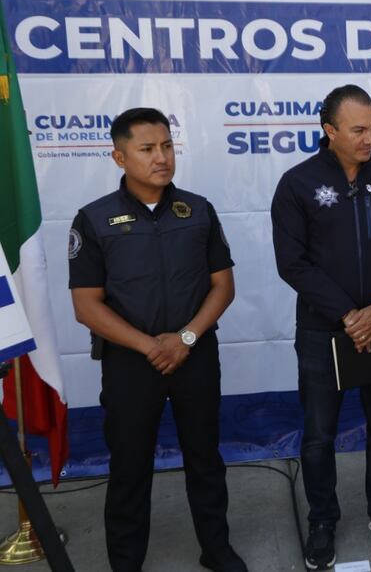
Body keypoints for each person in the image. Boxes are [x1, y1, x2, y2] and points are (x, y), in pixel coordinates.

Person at [68, 107, 245, 572]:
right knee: (130, 468)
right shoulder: (94, 219)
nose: (161, 157)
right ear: (119, 157)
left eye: (166, 146)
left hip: (195, 354)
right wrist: (151, 347)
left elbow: (223, 286)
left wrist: (184, 338)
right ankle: (126, 561)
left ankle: (217, 548)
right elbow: (87, 306)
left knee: (205, 459)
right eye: (147, 149)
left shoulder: (198, 209)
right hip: (131, 364)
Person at [271, 84, 371, 568]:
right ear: (329, 130)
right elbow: (292, 263)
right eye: (358, 129)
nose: (369, 138)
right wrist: (348, 315)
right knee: (319, 435)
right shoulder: (297, 183)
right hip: (324, 331)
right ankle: (323, 520)